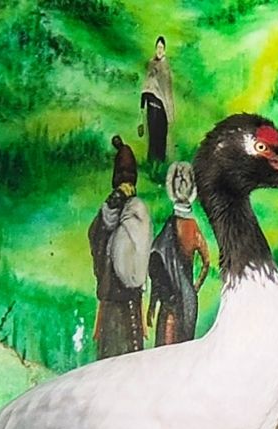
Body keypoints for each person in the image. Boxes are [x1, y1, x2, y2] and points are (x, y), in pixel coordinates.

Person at [88, 135, 153, 359]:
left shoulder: (136, 212)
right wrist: (114, 200)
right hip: (112, 301)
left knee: (129, 362)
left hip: (129, 302)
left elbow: (139, 261)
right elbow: (97, 234)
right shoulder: (110, 213)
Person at [148, 161, 211, 345]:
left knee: (167, 349)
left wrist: (154, 301)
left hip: (171, 299)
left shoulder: (170, 227)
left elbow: (155, 261)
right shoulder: (192, 228)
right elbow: (206, 263)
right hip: (185, 299)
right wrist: (194, 288)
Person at [140, 36, 174, 164]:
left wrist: (169, 111)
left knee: (160, 134)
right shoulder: (151, 64)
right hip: (151, 104)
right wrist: (143, 102)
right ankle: (151, 162)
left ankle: (159, 162)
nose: (159, 50)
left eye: (161, 48)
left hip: (161, 107)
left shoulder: (165, 68)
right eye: (158, 47)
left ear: (164, 50)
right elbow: (147, 84)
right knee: (152, 134)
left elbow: (167, 91)